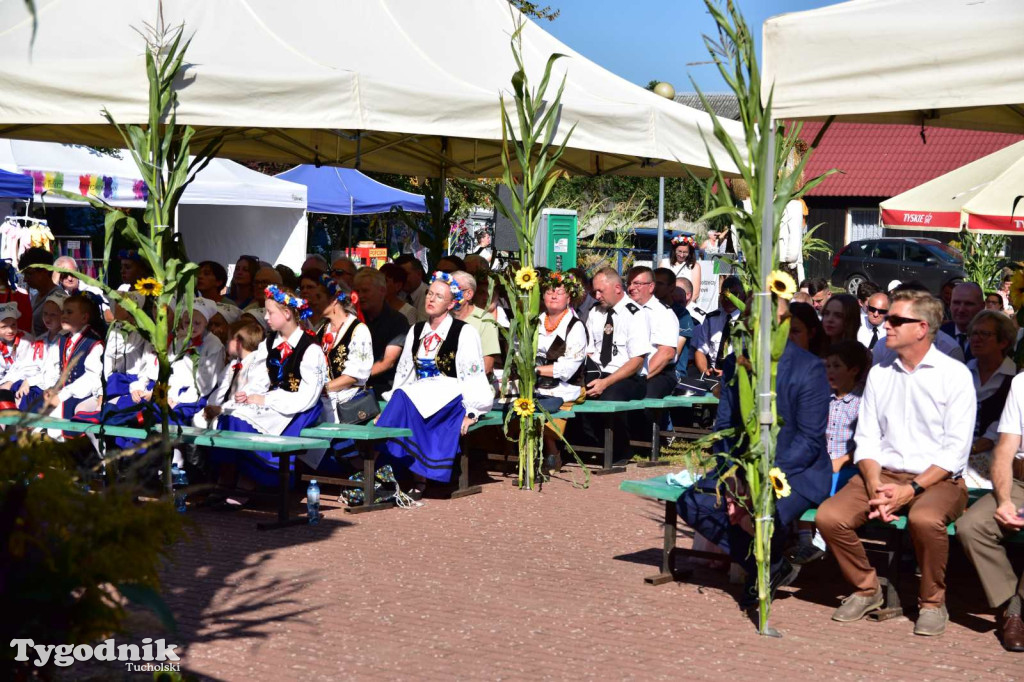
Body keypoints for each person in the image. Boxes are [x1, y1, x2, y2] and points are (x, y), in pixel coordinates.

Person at [815, 289, 974, 636]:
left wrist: (910, 490)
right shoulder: (880, 374)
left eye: (895, 320)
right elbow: (867, 438)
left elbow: (955, 451)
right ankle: (867, 588)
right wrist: (874, 485)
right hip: (882, 472)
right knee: (829, 516)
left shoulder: (954, 375)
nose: (887, 324)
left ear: (921, 328)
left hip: (938, 480)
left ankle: (932, 601)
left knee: (926, 519)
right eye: (887, 318)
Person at [678, 334, 831, 608]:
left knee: (764, 511)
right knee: (695, 501)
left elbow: (809, 440)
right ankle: (769, 566)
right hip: (742, 465)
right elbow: (724, 425)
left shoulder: (808, 367)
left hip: (795, 471)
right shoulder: (735, 362)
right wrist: (734, 476)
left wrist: (760, 480)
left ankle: (761, 570)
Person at [377, 272, 492, 490]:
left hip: (449, 393)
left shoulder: (464, 332)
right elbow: (404, 373)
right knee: (402, 395)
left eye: (439, 296)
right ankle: (402, 473)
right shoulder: (416, 330)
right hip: (419, 393)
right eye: (429, 293)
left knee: (404, 397)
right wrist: (392, 405)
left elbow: (473, 375)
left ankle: (382, 469)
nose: (430, 299)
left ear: (450, 304)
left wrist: (473, 411)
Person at [213, 286, 328, 487]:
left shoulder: (310, 349)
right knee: (228, 415)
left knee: (240, 422)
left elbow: (308, 395)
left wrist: (265, 399)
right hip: (273, 401)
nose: (266, 316)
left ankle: (252, 479)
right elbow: (260, 378)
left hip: (297, 407)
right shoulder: (270, 343)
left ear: (286, 314)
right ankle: (227, 479)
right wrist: (247, 394)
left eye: (270, 312)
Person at [956, 370, 1024, 652]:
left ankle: (1017, 612)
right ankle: (1012, 604)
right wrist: (1005, 499)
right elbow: (1005, 449)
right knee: (971, 526)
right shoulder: (1021, 383)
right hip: (1020, 479)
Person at [790, 340, 870, 565]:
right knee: (793, 478)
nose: (829, 372)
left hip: (848, 467)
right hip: (820, 463)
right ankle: (805, 538)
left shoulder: (862, 402)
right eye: (826, 366)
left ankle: (821, 540)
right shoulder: (821, 397)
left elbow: (865, 444)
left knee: (831, 484)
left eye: (836, 366)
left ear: (853, 370)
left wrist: (841, 461)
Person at [574, 267, 650, 458]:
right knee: (574, 393)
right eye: (594, 292)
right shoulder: (595, 313)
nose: (596, 295)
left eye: (601, 291)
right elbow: (589, 350)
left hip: (628, 377)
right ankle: (586, 447)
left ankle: (620, 452)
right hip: (598, 373)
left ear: (617, 288)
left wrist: (605, 382)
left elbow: (637, 361)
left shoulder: (635, 314)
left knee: (609, 397)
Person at [310, 275, 373, 468]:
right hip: (325, 395)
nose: (314, 302)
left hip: (348, 396)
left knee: (322, 410)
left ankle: (355, 467)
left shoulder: (358, 330)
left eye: (319, 297)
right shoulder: (321, 328)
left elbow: (355, 375)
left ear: (335, 300)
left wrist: (324, 388)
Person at [536, 271, 588, 472]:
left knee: (547, 402)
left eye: (560, 292)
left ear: (569, 297)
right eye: (549, 291)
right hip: (533, 381)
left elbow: (567, 369)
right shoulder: (534, 322)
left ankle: (550, 449)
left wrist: (535, 370)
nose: (554, 295)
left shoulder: (575, 327)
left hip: (565, 385)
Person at [964, 310, 1018, 489]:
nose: (976, 339)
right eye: (974, 333)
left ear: (1003, 342)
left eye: (985, 334)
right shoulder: (961, 373)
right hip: (958, 450)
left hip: (995, 456)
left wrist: (972, 449)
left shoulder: (1015, 379)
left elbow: (1001, 429)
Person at [43, 293, 104, 424]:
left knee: (57, 414)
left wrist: (63, 394)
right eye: (63, 312)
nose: (64, 316)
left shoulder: (93, 342)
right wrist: (51, 388)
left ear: (84, 317)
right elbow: (52, 367)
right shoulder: (62, 339)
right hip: (62, 392)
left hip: (81, 394)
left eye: (69, 312)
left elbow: (92, 378)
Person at [197, 318, 265, 430]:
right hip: (223, 410)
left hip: (239, 415)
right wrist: (212, 407)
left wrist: (221, 409)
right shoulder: (233, 365)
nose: (226, 342)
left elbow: (248, 395)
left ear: (238, 342)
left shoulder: (256, 364)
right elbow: (222, 389)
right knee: (198, 420)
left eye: (229, 339)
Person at [353, 267, 409, 400]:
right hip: (352, 387)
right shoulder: (353, 319)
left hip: (383, 390)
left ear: (382, 291)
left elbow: (388, 361)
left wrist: (353, 378)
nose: (361, 296)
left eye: (365, 291)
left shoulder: (397, 321)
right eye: (357, 291)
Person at [626, 266, 680, 401]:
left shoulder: (664, 313)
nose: (631, 288)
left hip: (656, 373)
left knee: (643, 399)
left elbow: (666, 353)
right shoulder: (625, 311)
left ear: (651, 287)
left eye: (637, 283)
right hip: (628, 371)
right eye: (629, 283)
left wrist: (641, 376)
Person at [451, 270, 501, 379]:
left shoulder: (485, 320)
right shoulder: (442, 317)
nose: (448, 294)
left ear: (469, 294)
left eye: (453, 289)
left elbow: (487, 366)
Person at [693, 276, 745, 377]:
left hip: (738, 375)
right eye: (724, 295)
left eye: (733, 296)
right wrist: (705, 371)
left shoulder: (748, 320)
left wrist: (729, 372)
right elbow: (700, 350)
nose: (728, 300)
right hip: (713, 374)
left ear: (742, 296)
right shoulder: (711, 318)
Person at [942, 282, 985, 362]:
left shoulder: (991, 338)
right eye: (956, 303)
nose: (961, 309)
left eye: (968, 304)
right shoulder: (939, 335)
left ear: (982, 306)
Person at [19, 246, 57, 337]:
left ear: (45, 271)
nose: (25, 279)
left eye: (29, 274)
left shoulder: (58, 299)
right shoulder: (36, 296)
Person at [0, 301, 31, 386]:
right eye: (4, 326)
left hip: (20, 379)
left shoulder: (25, 340)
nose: (10, 330)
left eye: (13, 325)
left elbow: (23, 368)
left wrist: (5, 383)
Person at [394, 254, 428, 323]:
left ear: (419, 274)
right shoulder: (397, 295)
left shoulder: (429, 296)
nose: (402, 279)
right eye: (399, 275)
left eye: (406, 274)